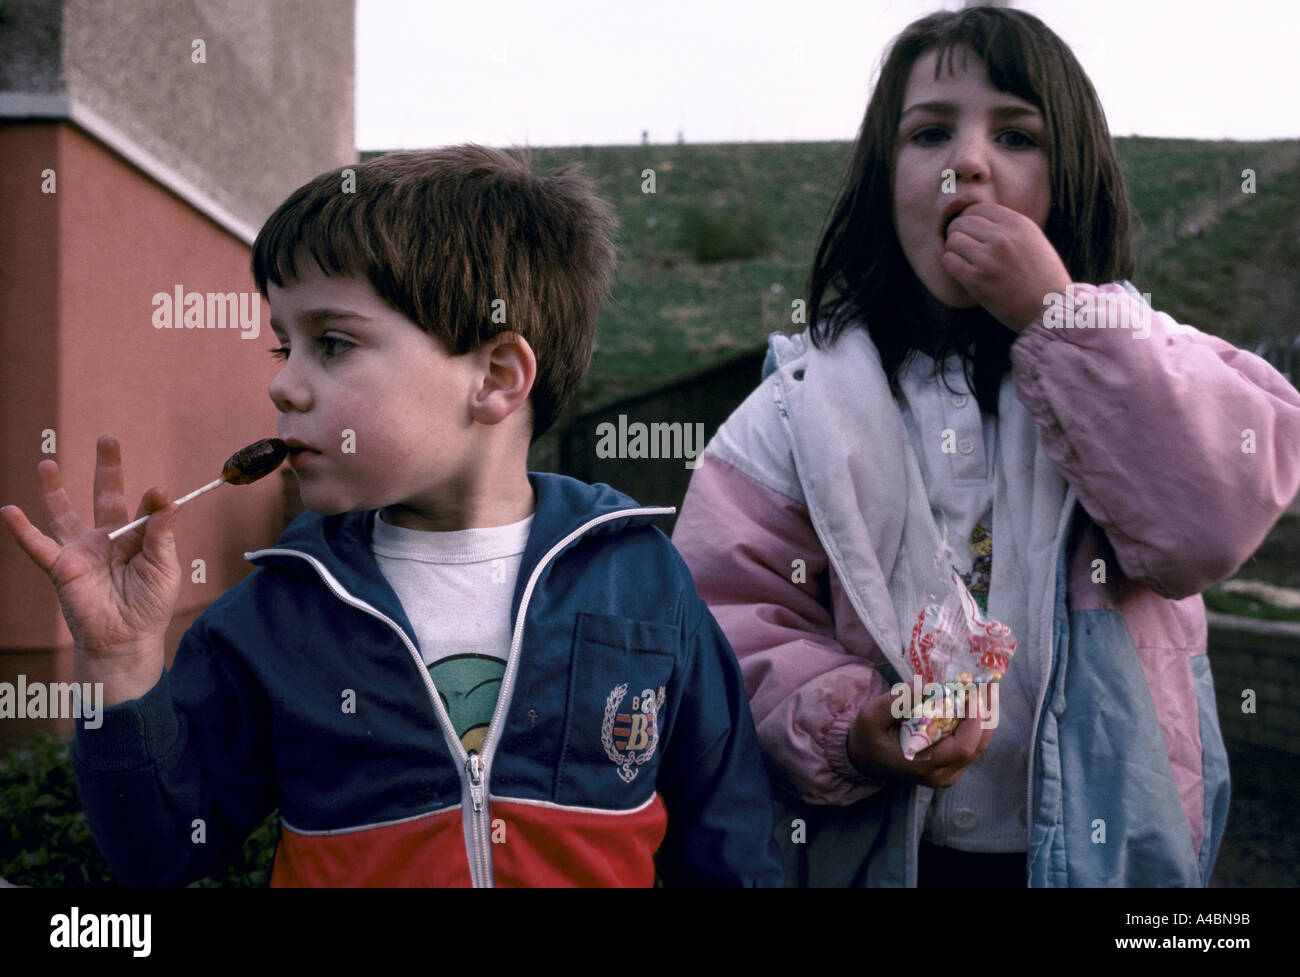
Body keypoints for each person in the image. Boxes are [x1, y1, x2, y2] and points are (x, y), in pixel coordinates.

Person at [2, 146, 782, 888]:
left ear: (497, 378)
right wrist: (118, 664)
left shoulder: (642, 581)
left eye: (332, 343)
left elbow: (730, 835)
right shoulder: (275, 615)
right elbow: (160, 851)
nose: (284, 387)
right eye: (285, 348)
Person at [672, 6, 1300, 887]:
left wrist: (1062, 321)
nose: (967, 161)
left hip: (1106, 859)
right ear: (882, 185)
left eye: (1015, 134)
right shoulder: (798, 408)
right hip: (885, 853)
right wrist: (851, 724)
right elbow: (732, 619)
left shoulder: (1142, 356)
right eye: (929, 133)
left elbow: (1206, 526)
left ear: (1072, 179)